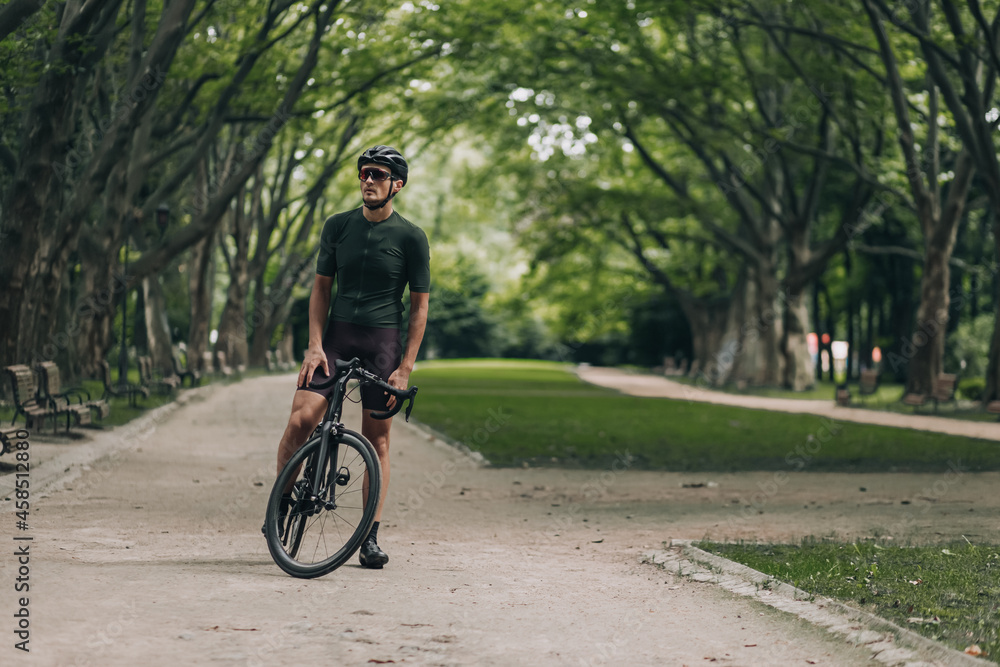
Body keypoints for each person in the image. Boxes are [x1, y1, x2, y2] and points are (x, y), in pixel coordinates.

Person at [271, 145, 430, 569]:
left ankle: (369, 538)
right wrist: (314, 344)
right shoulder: (338, 226)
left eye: (377, 175)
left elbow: (418, 307)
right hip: (336, 339)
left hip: (382, 343)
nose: (368, 180)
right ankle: (282, 501)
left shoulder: (411, 237)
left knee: (377, 440)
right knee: (300, 420)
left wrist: (404, 368)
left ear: (396, 184)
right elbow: (321, 288)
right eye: (363, 173)